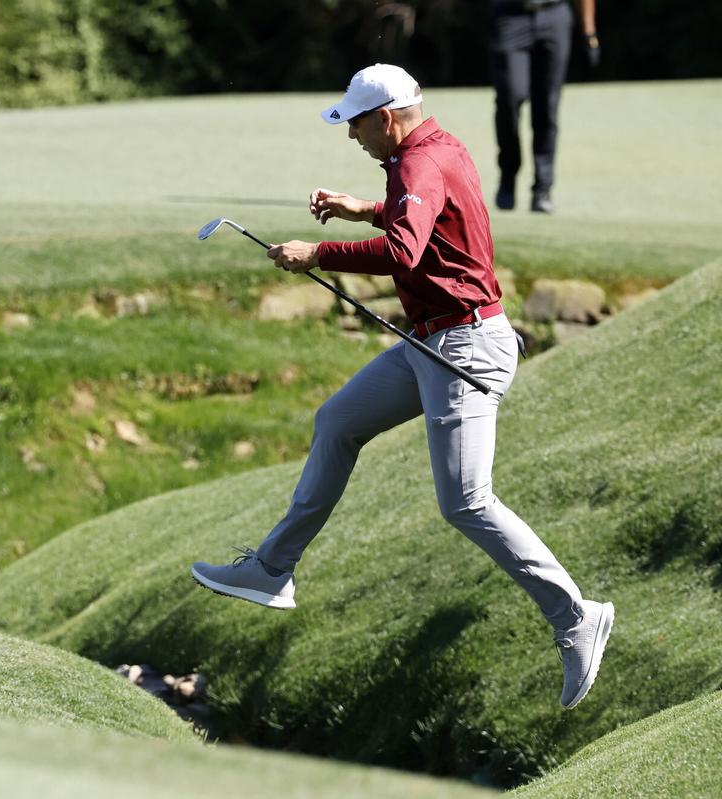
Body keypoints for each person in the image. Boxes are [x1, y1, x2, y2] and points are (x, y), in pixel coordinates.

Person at [190, 64, 613, 710]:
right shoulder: (436, 148)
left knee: (466, 502)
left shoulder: (416, 164)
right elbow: (425, 216)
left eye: (356, 124)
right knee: (338, 421)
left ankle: (576, 616)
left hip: (463, 344)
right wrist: (359, 208)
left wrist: (318, 252)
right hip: (431, 342)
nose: (352, 137)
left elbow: (406, 250)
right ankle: (271, 568)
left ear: (386, 118)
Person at [490, 0, 600, 213]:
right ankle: (508, 174)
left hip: (554, 15)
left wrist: (589, 31)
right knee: (510, 99)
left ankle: (543, 189)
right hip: (510, 17)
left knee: (547, 106)